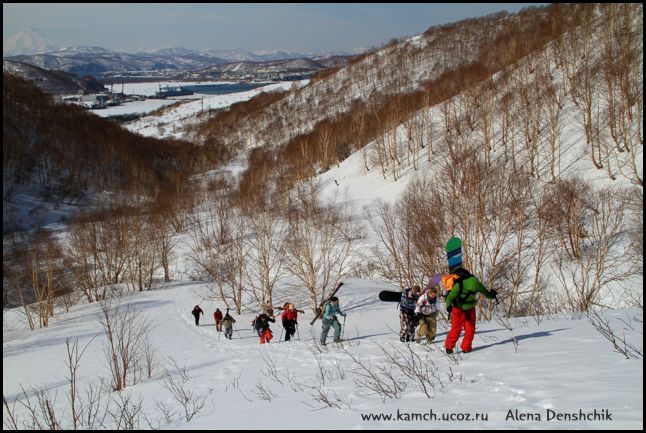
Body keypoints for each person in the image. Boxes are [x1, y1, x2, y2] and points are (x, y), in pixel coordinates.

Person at [443, 238, 497, 354]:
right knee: (469, 330)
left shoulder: (465, 284)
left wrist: (448, 306)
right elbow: (486, 293)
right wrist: (492, 295)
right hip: (461, 309)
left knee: (460, 330)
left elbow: (450, 298)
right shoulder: (474, 282)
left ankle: (452, 347)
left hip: (463, 309)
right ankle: (462, 347)